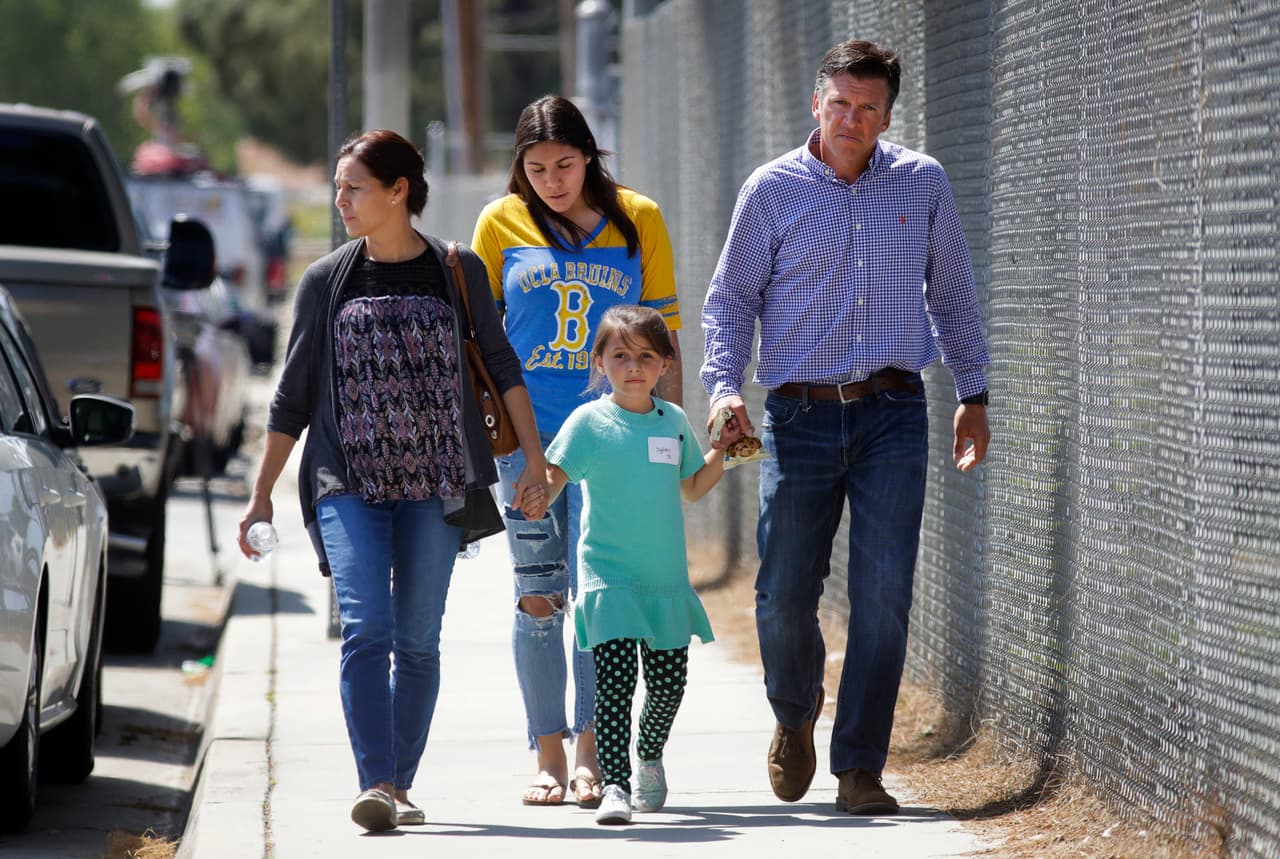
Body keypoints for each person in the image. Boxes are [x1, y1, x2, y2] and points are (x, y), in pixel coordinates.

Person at [700, 39, 991, 816]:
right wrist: (725, 387)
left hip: (895, 410)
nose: (851, 120)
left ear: (889, 114)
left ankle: (860, 764)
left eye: (868, 109)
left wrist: (975, 390)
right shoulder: (771, 190)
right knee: (783, 590)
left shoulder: (921, 182)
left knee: (884, 592)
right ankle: (794, 713)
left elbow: (955, 295)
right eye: (839, 104)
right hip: (797, 414)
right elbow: (731, 301)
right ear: (816, 104)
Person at [237, 129, 548, 832]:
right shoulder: (327, 281)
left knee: (417, 640)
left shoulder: (457, 269)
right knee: (367, 629)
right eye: (340, 187)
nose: (341, 200)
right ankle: (375, 779)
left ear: (399, 190)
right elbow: (291, 396)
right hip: (346, 480)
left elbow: (501, 366)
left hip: (436, 483)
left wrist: (531, 459)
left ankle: (399, 783)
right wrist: (261, 492)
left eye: (354, 188)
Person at [470, 94, 683, 809]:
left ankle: (595, 750)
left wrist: (664, 425)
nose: (552, 180)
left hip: (614, 440)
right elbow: (482, 341)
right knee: (538, 596)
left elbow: (665, 334)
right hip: (529, 442)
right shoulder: (500, 223)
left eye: (564, 164)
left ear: (589, 155)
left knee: (598, 599)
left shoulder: (639, 218)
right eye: (535, 168)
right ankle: (549, 752)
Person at [544, 305, 723, 825]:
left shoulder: (675, 422)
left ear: (665, 364)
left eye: (646, 356)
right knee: (616, 687)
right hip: (608, 578)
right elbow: (556, 476)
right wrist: (536, 494)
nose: (634, 366)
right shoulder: (588, 421)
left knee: (669, 686)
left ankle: (648, 754)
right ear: (600, 362)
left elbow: (690, 488)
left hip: (664, 581)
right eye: (620, 356)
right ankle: (616, 785)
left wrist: (724, 454)